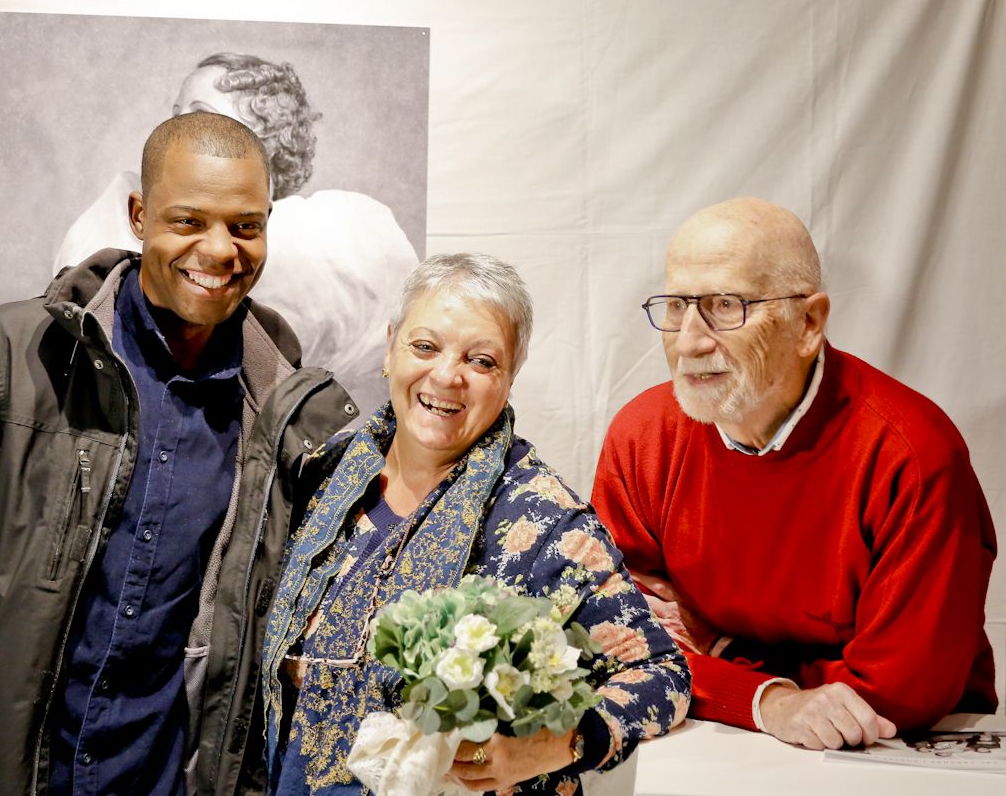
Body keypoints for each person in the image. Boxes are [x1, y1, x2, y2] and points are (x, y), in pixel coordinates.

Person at [0, 112, 356, 795]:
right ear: (139, 215)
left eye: (245, 226)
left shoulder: (287, 410)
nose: (220, 250)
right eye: (189, 221)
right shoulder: (7, 354)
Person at [260, 253, 691, 796]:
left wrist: (556, 744)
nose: (447, 375)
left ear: (510, 377)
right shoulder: (325, 473)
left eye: (482, 361)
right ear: (390, 347)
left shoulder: (544, 520)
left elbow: (662, 675)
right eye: (424, 346)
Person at [591, 197, 998, 751]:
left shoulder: (913, 456)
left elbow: (901, 691)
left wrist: (719, 652)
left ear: (808, 323)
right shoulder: (643, 435)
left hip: (891, 751)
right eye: (676, 306)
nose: (688, 340)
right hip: (709, 739)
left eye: (726, 305)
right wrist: (770, 700)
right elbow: (609, 636)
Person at [54, 52, 419, 421]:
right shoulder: (125, 217)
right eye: (176, 111)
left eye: (199, 114)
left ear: (266, 138)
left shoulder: (327, 231)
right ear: (140, 216)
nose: (175, 125)